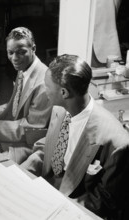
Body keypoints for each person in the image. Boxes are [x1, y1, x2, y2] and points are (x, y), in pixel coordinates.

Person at [21, 54, 129, 219]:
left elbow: (103, 201)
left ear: (64, 93)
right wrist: (29, 166)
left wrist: (58, 211)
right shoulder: (59, 109)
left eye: (47, 86)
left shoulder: (118, 143)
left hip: (73, 206)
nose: (44, 89)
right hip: (47, 187)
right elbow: (50, 145)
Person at [0, 27, 52, 164]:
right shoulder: (25, 68)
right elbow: (18, 102)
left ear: (33, 48)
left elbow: (31, 128)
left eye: (21, 52)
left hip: (30, 145)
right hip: (18, 133)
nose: (15, 58)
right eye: (10, 53)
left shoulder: (43, 84)